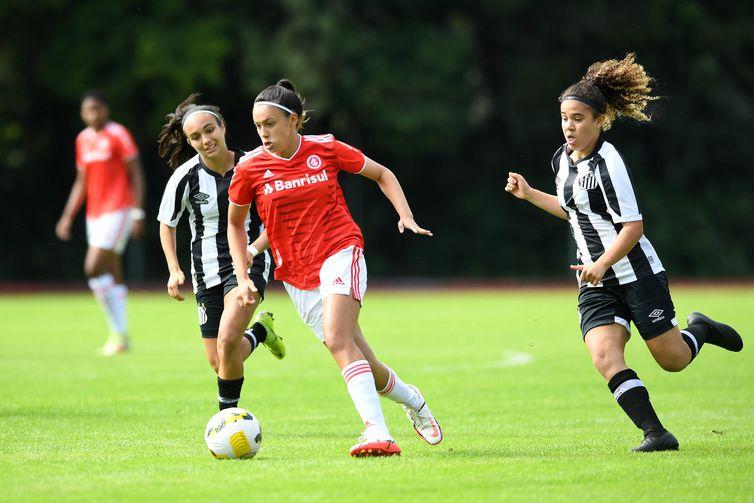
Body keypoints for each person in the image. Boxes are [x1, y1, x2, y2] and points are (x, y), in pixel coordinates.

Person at [505, 53, 743, 452]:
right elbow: (572, 212)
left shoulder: (609, 162)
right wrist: (530, 195)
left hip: (636, 273)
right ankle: (657, 434)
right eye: (565, 118)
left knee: (672, 360)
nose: (569, 126)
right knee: (603, 355)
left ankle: (700, 327)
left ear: (600, 120)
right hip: (596, 280)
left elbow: (633, 227)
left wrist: (600, 263)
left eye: (578, 118)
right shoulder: (561, 161)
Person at [226, 79, 443, 457]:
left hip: (341, 250)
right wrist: (244, 271)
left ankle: (376, 431)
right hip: (296, 274)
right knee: (364, 362)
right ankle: (413, 400)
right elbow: (235, 223)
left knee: (337, 339)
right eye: (258, 126)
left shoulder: (325, 148)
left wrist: (405, 216)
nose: (263, 133)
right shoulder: (250, 168)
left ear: (293, 120)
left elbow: (382, 174)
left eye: (271, 124)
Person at [156, 94, 286, 411]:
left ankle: (228, 420)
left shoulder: (254, 165)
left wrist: (255, 250)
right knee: (219, 360)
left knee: (228, 341)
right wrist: (174, 269)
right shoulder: (185, 177)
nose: (205, 140)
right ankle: (260, 331)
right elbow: (166, 224)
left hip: (250, 263)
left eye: (209, 130)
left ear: (222, 127)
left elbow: (278, 219)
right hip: (205, 272)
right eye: (195, 137)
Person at [56, 90, 146, 356]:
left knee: (92, 266)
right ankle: (120, 337)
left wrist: (138, 212)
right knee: (112, 274)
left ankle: (118, 333)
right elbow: (81, 181)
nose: (92, 114)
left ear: (105, 110)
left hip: (118, 209)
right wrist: (67, 216)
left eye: (96, 109)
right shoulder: (82, 139)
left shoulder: (118, 134)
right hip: (94, 215)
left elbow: (137, 173)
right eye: (87, 110)